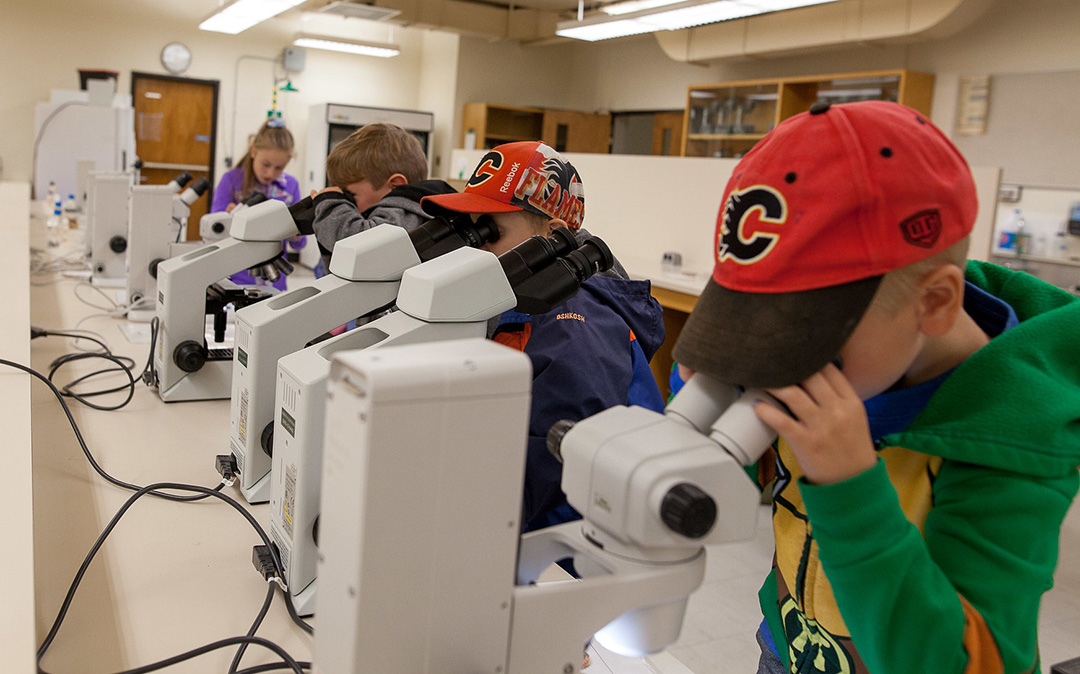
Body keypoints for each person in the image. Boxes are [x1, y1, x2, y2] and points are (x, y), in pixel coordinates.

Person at [671, 100, 1080, 674]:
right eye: (750, 324)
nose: (773, 366)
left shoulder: (1014, 445)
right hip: (789, 647)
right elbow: (736, 490)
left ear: (935, 303)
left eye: (800, 339)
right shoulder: (866, 359)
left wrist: (850, 489)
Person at [422, 140, 667, 531]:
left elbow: (550, 465)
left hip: (572, 549)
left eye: (491, 231)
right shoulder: (519, 299)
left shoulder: (572, 320)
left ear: (553, 238)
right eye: (471, 229)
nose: (477, 245)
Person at [310, 122, 456, 270]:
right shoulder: (415, 209)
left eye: (352, 195)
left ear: (396, 186)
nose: (350, 204)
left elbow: (361, 247)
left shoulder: (405, 212)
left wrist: (330, 205)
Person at [211, 117, 304, 290]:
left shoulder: (291, 186)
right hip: (236, 277)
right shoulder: (231, 180)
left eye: (279, 168)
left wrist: (295, 230)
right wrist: (228, 219)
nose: (270, 172)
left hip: (275, 279)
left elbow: (299, 244)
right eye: (266, 164)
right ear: (253, 151)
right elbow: (213, 231)